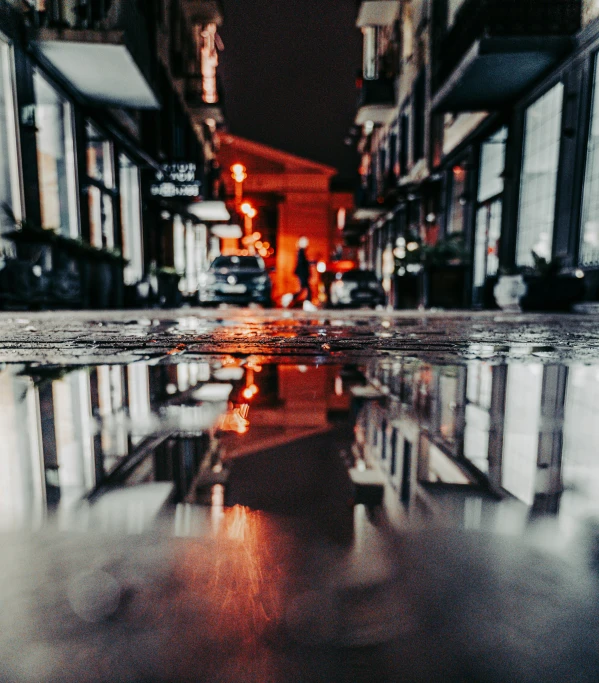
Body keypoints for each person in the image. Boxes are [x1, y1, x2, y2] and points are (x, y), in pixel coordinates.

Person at [293, 236, 312, 304]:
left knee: (303, 289)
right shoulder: (301, 252)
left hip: (302, 274)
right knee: (306, 288)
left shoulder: (301, 252)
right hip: (302, 274)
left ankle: (289, 298)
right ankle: (307, 302)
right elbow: (301, 263)